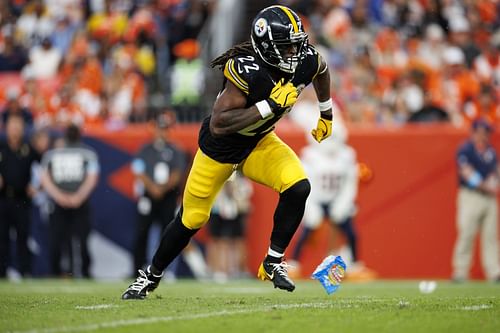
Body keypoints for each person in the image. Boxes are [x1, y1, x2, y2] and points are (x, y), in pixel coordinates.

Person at [122, 5, 338, 299]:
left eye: (296, 44)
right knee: (192, 219)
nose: (295, 52)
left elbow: (321, 69)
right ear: (268, 46)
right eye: (287, 46)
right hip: (220, 150)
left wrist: (326, 113)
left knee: (298, 187)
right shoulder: (246, 69)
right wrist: (269, 106)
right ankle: (150, 276)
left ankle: (273, 261)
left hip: (259, 142)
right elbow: (220, 124)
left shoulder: (304, 59)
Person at [130, 113, 188, 275]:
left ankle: (164, 270)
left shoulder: (175, 150)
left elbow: (177, 173)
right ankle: (137, 269)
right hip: (148, 196)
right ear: (154, 129)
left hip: (168, 196)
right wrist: (152, 187)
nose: (162, 132)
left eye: (165, 129)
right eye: (160, 128)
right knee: (142, 232)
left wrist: (161, 188)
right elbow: (138, 170)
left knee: (168, 234)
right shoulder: (145, 149)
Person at [40, 124, 100, 278]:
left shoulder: (53, 154)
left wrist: (61, 197)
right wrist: (77, 197)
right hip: (74, 202)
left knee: (70, 240)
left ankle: (62, 272)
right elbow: (91, 178)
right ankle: (76, 272)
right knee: (69, 240)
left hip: (64, 202)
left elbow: (45, 179)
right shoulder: (87, 153)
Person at [452, 118, 500, 282]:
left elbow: (496, 172)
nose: (485, 135)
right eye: (482, 131)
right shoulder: (466, 150)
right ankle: (460, 271)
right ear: (474, 131)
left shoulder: (490, 152)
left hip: (490, 198)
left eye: (487, 132)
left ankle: (494, 272)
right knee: (466, 233)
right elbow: (466, 172)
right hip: (471, 196)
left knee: (491, 236)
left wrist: (494, 184)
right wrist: (486, 185)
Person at [0, 114, 39, 278]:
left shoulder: (29, 149)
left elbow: (43, 167)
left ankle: (25, 272)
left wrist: (36, 186)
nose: (15, 130)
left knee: (23, 237)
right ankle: (2, 273)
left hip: (22, 199)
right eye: (12, 126)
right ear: (6, 128)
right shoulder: (1, 147)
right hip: (2, 199)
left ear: (23, 129)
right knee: (2, 238)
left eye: (18, 126)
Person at [207, 171, 252, 282]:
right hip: (218, 210)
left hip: (235, 211)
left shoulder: (243, 181)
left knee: (237, 241)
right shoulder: (217, 175)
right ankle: (217, 270)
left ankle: (236, 270)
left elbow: (244, 200)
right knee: (218, 241)